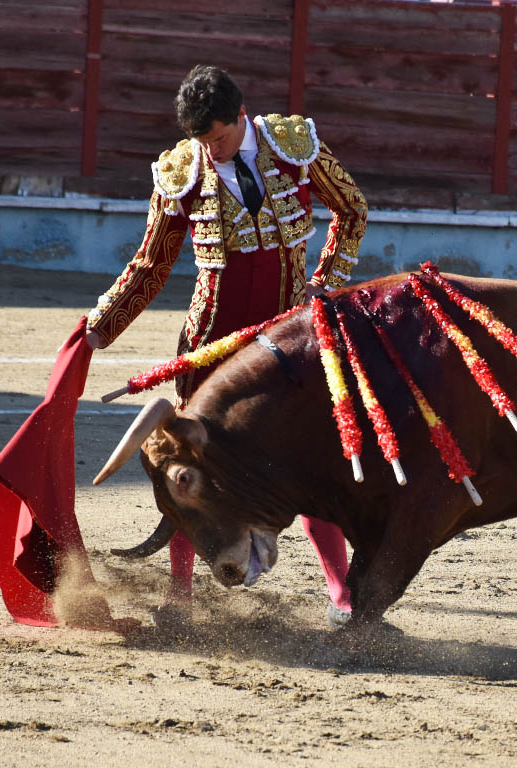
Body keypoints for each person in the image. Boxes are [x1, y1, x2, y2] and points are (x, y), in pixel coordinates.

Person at [85, 65, 367, 628]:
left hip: (287, 340)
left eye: (217, 138)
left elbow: (352, 208)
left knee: (312, 458)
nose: (209, 151)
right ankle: (180, 594)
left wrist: (325, 281)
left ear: (242, 115)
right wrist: (98, 326)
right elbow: (151, 263)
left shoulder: (294, 146)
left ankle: (342, 594)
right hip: (210, 345)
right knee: (191, 465)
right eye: (200, 141)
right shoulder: (181, 171)